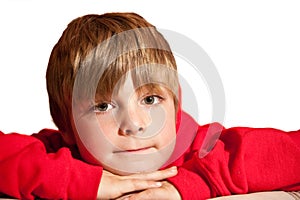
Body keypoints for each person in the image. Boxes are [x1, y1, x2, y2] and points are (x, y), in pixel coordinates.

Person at [0, 12, 299, 200]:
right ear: (66, 124)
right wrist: (80, 182)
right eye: (102, 106)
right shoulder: (58, 156)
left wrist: (186, 185)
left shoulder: (203, 149)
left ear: (175, 106)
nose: (135, 123)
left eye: (150, 99)